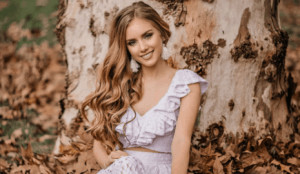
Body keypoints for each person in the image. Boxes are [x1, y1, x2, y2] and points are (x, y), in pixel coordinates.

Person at [80, 1, 208, 174]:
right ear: (126, 48)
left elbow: (181, 142)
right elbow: (99, 144)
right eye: (132, 42)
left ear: (161, 32)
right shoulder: (121, 85)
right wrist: (108, 163)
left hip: (162, 169)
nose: (143, 47)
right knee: (127, 165)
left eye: (147, 35)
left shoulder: (185, 84)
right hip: (122, 169)